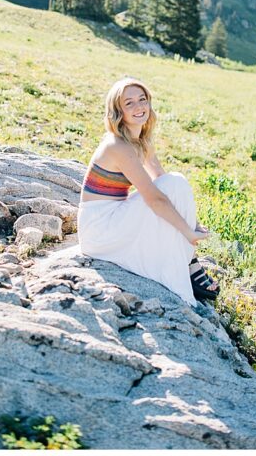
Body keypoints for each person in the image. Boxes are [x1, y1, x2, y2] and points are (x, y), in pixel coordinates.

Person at [77, 77, 219, 306]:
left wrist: (190, 221)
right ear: (117, 111)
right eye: (129, 103)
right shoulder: (117, 145)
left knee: (175, 182)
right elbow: (154, 198)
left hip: (115, 217)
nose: (139, 107)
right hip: (99, 229)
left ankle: (189, 262)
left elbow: (162, 180)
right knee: (173, 185)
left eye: (142, 100)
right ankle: (189, 263)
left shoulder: (140, 139)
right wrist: (187, 231)